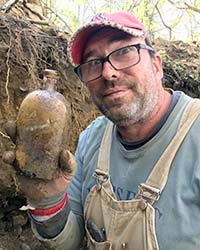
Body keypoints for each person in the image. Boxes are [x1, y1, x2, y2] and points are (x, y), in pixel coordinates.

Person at [5, 11, 200, 250]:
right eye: (94, 63)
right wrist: (47, 201)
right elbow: (73, 241)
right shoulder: (92, 138)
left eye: (123, 52)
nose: (108, 73)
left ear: (157, 65)